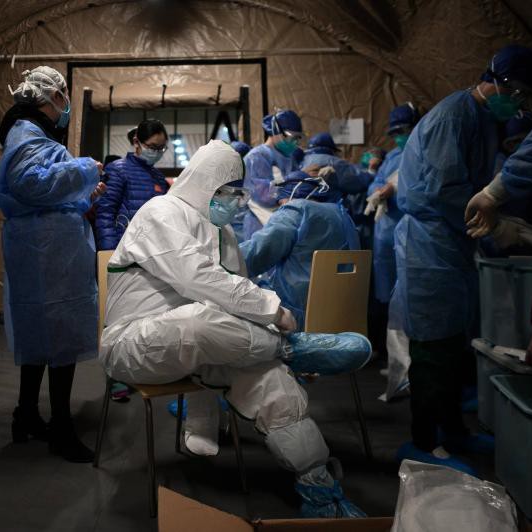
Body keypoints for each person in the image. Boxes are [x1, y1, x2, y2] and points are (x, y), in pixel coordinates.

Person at [99, 140, 371, 518]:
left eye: (238, 194)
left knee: (270, 378)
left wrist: (262, 317)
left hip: (206, 346)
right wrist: (272, 311)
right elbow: (198, 278)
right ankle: (291, 349)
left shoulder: (224, 234)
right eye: (227, 192)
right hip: (135, 344)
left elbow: (235, 296)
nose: (234, 201)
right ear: (204, 182)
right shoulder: (160, 212)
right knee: (196, 321)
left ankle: (320, 487)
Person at [392, 45, 532, 474]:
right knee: (431, 346)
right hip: (429, 244)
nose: (516, 100)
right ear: (492, 78)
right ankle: (422, 442)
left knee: (454, 343)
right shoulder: (454, 115)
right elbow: (445, 189)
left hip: (452, 242)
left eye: (524, 94)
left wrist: (499, 217)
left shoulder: (482, 119)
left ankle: (453, 431)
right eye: (513, 90)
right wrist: (493, 223)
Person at [0, 66, 105, 463]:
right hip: (49, 254)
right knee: (60, 337)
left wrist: (83, 196)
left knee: (41, 337)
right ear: (54, 96)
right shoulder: (28, 132)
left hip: (46, 247)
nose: (67, 104)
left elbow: (43, 190)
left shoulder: (29, 134)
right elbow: (31, 183)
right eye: (64, 95)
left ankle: (26, 414)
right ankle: (61, 428)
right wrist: (86, 169)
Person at [465, 103, 532, 372]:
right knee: (503, 322)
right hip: (506, 260)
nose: (520, 148)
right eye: (514, 142)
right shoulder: (501, 167)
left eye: (524, 141)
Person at [240, 170, 360, 329]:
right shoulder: (341, 213)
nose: (280, 208)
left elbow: (258, 252)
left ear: (289, 197)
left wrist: (224, 256)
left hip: (298, 313)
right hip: (343, 311)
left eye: (280, 204)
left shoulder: (296, 210)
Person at [363, 103, 420, 401]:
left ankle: (410, 364)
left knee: (409, 298)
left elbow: (415, 186)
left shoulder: (421, 149)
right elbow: (374, 183)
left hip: (407, 233)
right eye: (395, 132)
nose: (399, 137)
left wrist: (392, 189)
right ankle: (397, 361)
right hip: (386, 235)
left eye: (403, 131)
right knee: (389, 299)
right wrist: (378, 187)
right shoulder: (394, 156)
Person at [95, 118, 169, 250]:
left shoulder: (159, 178)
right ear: (136, 142)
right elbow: (105, 213)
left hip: (152, 248)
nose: (157, 152)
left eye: (161, 148)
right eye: (153, 147)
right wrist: (109, 251)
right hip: (123, 248)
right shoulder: (118, 169)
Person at [241, 110, 304, 241]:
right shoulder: (257, 156)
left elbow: (294, 186)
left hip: (280, 220)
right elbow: (261, 194)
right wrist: (285, 191)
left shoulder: (288, 157)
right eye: (291, 137)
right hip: (260, 223)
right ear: (276, 132)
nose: (295, 142)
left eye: (298, 138)